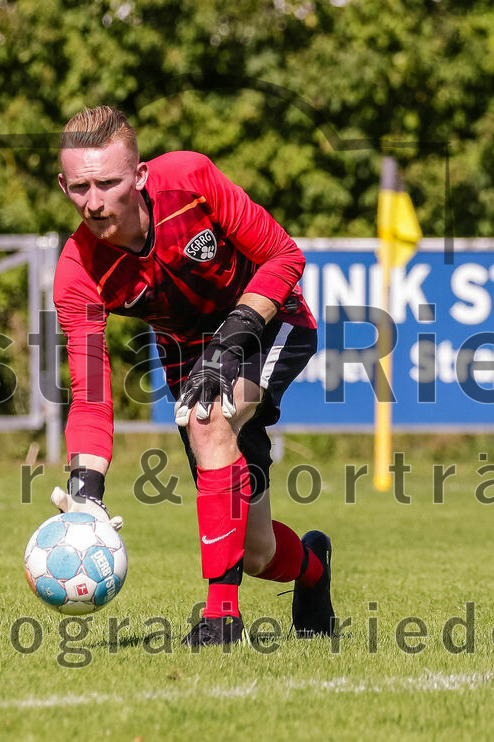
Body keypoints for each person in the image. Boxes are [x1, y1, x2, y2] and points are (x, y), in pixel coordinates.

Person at [50, 105, 334, 646]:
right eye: (80, 187)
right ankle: (314, 569)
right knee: (256, 551)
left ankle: (221, 618)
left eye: (108, 183)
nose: (94, 202)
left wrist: (228, 345)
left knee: (208, 418)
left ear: (139, 175)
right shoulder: (77, 271)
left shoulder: (190, 179)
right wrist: (86, 492)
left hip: (269, 318)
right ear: (64, 185)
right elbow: (90, 396)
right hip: (187, 353)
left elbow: (283, 256)